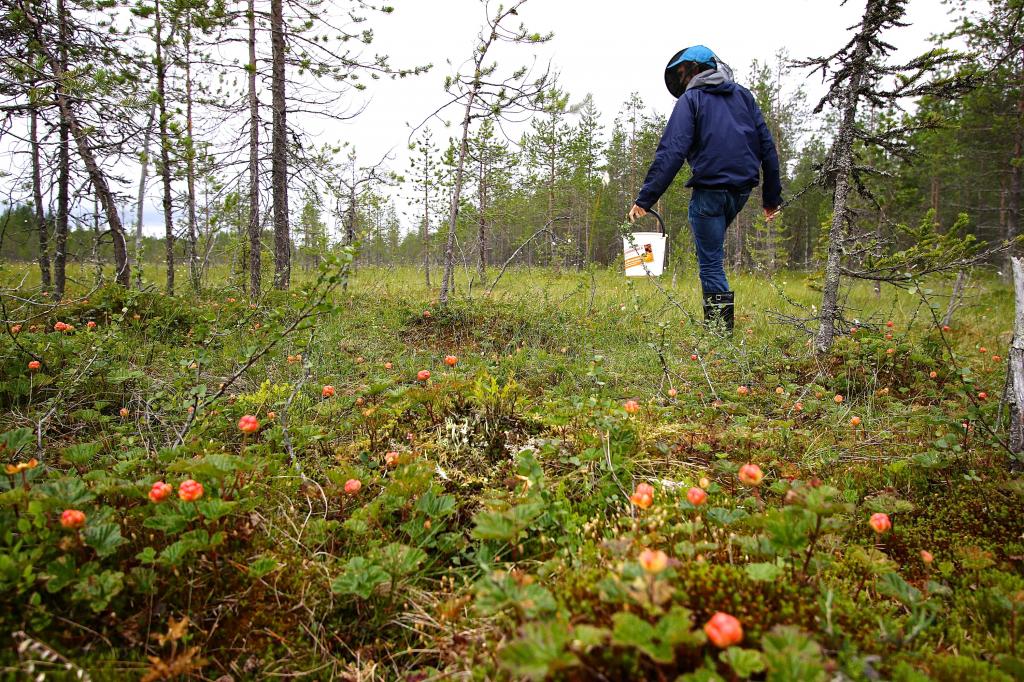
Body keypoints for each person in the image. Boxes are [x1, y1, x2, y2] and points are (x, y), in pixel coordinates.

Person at [628, 45, 782, 333]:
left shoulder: (692, 100)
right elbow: (767, 148)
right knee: (711, 255)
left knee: (711, 263)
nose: (683, 80)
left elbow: (672, 151)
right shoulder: (743, 96)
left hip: (710, 192)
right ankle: (719, 330)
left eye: (685, 74)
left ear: (698, 70)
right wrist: (771, 197)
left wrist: (645, 199)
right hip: (740, 193)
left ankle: (719, 335)